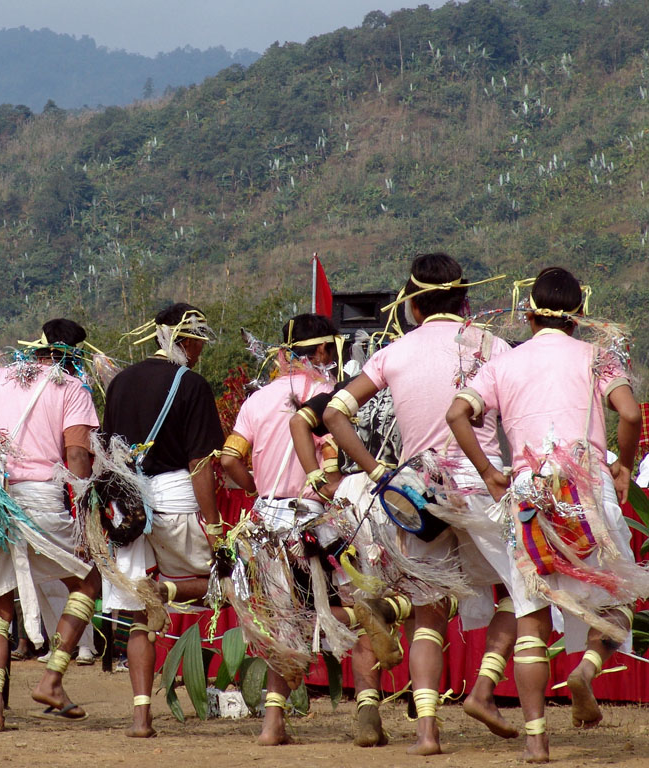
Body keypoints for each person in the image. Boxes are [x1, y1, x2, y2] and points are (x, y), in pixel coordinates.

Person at [447, 267, 647, 763]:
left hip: (527, 494)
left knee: (531, 617)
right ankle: (586, 669)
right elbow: (631, 413)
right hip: (587, 485)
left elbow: (456, 414)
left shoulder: (504, 364)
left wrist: (490, 474)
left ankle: (537, 741)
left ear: (530, 312)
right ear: (579, 315)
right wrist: (624, 464)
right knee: (621, 597)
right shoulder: (596, 356)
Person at [324, 253, 519, 754]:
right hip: (479, 487)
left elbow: (333, 413)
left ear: (410, 307)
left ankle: (428, 733)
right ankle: (483, 690)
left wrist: (377, 473)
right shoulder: (494, 347)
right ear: (467, 301)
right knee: (527, 594)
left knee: (427, 613)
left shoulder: (394, 352)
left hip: (414, 495)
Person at [0, 318, 102, 731]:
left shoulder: (1, 377)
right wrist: (85, 513)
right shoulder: (72, 388)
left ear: (37, 349)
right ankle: (52, 679)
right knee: (87, 582)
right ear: (71, 356)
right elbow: (78, 456)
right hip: (41, 497)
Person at [220, 313, 355, 746]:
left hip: (265, 521)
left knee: (285, 620)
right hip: (313, 522)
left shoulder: (258, 400)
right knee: (363, 604)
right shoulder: (329, 399)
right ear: (320, 352)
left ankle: (273, 722)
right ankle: (371, 705)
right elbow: (332, 471)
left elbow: (227, 459)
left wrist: (260, 489)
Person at [101, 303, 224, 738]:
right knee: (225, 586)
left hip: (126, 507)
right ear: (186, 341)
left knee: (138, 616)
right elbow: (200, 462)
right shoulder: (191, 384)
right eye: (199, 344)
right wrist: (214, 526)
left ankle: (140, 719)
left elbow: (107, 451)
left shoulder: (118, 383)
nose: (201, 352)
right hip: (174, 499)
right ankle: (167, 588)